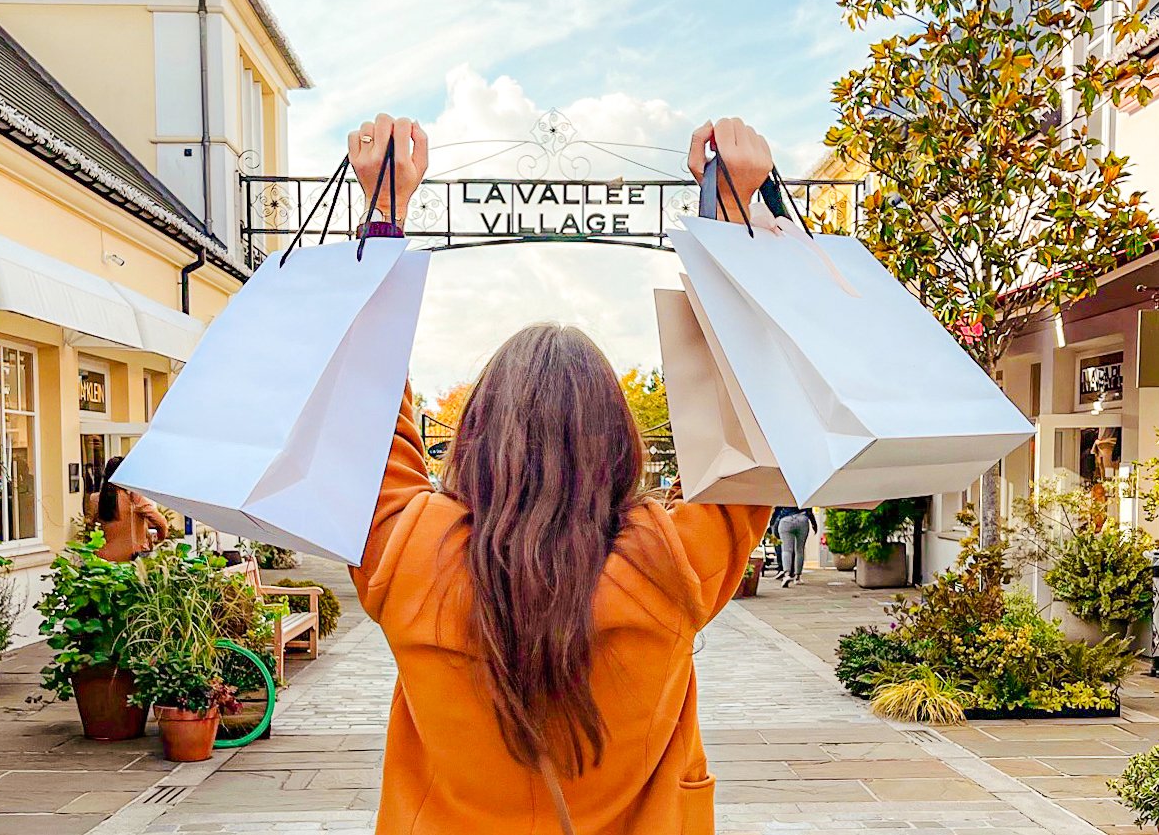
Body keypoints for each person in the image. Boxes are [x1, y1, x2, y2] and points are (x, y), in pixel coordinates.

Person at [347, 114, 774, 834]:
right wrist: (729, 214)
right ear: (617, 445)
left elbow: (361, 404)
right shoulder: (670, 566)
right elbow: (745, 419)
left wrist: (383, 209)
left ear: (476, 434)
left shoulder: (408, 555)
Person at [86, 455, 169, 562]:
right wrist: (158, 539)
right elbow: (161, 523)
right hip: (132, 560)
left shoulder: (95, 499)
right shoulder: (134, 498)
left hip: (104, 560)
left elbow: (90, 527)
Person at [773, 506, 818, 587]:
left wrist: (774, 526)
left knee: (786, 550)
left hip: (785, 519)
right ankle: (797, 577)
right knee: (800, 550)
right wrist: (814, 523)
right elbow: (809, 510)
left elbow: (777, 511)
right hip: (802, 519)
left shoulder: (784, 494)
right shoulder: (803, 495)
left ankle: (787, 575)